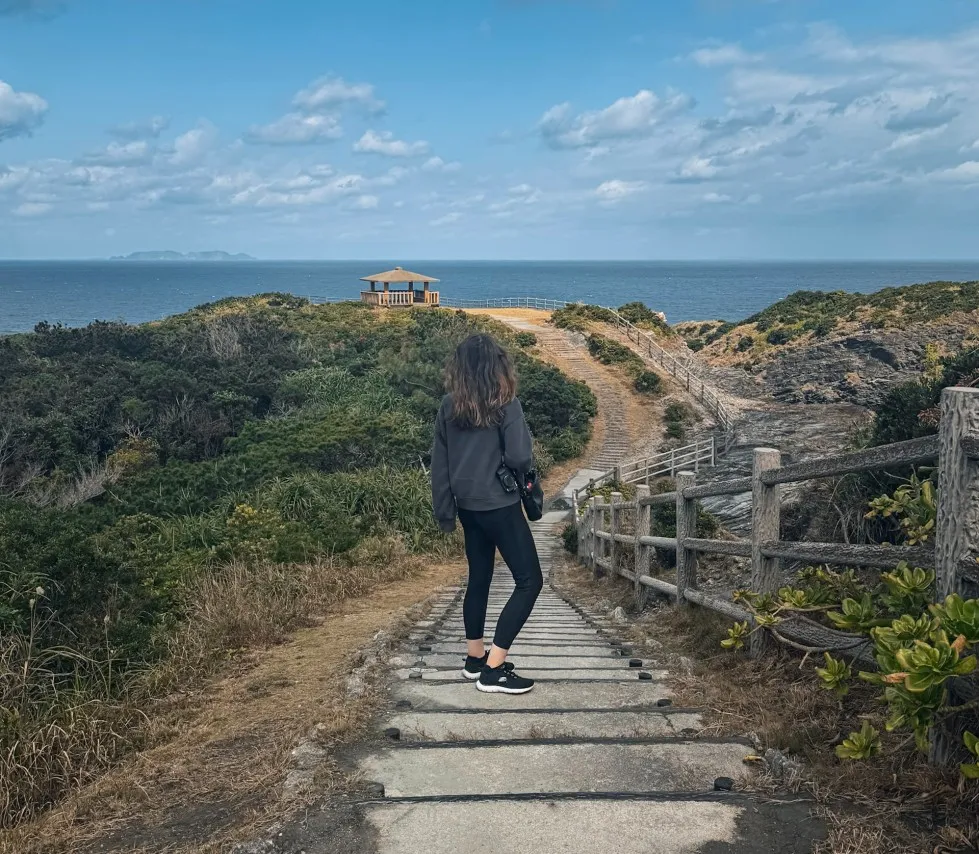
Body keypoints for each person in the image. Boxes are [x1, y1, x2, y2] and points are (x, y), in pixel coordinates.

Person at [430, 334, 543, 695]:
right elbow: (520, 458)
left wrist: (444, 512)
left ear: (460, 369)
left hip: (467, 507)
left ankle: (475, 658)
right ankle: (493, 671)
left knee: (479, 577)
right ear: (497, 365)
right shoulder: (507, 405)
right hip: (500, 505)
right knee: (530, 581)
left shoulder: (449, 406)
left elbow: (440, 465)